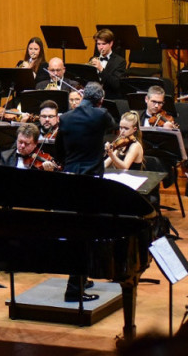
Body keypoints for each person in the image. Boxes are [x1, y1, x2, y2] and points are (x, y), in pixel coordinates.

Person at [55, 82, 115, 302]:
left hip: (70, 180)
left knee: (76, 232)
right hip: (91, 183)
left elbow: (59, 149)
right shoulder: (101, 115)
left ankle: (82, 278)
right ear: (100, 99)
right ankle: (74, 289)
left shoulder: (66, 118)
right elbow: (113, 124)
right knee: (85, 235)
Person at [90, 29, 126, 99]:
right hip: (94, 96)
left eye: (103, 44)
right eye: (98, 44)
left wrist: (101, 69)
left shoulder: (120, 61)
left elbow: (116, 84)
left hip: (110, 96)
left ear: (111, 44)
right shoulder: (93, 59)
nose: (100, 47)